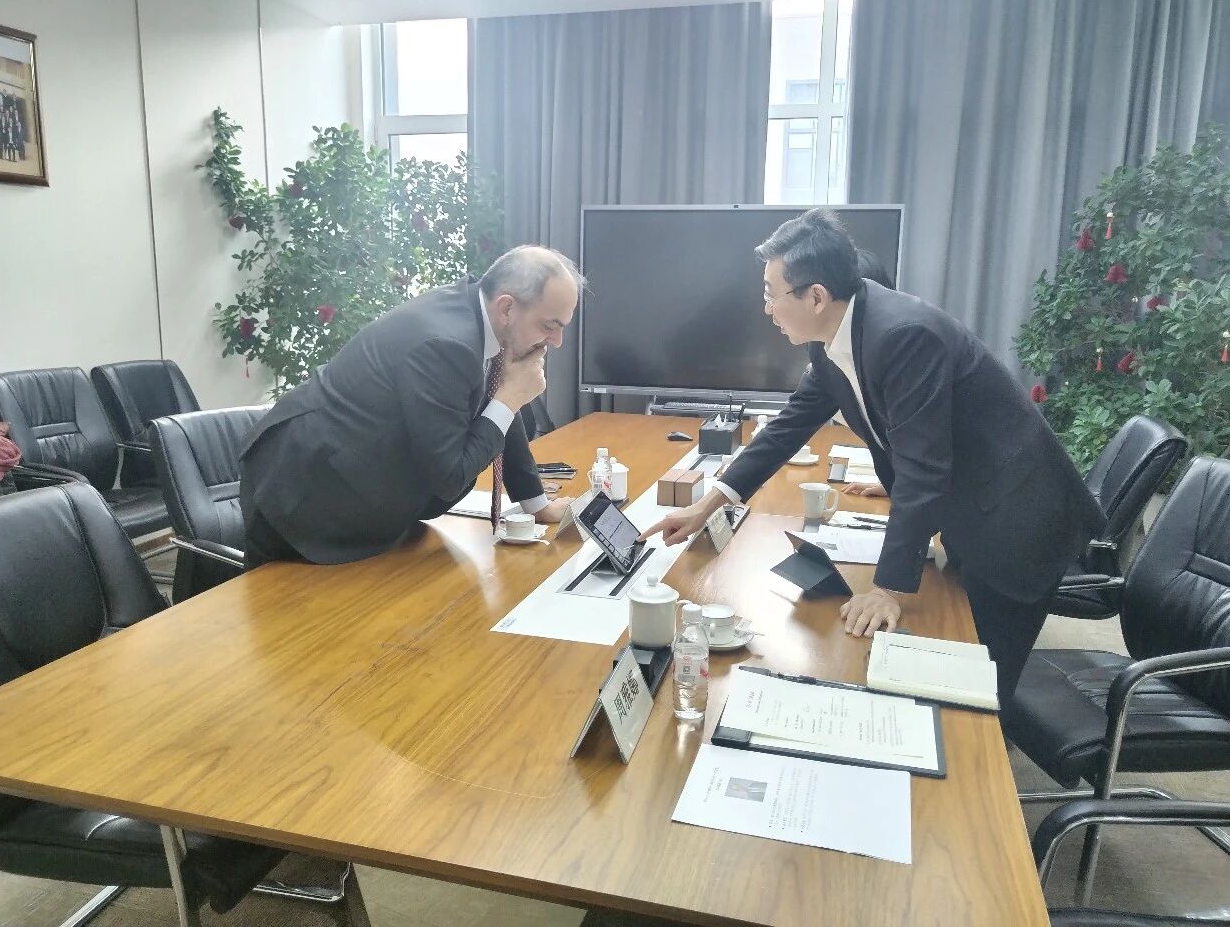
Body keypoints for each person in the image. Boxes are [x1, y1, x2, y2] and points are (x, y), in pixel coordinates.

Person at [641, 208, 1104, 701]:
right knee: (951, 656)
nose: (767, 309)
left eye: (771, 294)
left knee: (980, 689)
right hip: (974, 505)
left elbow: (924, 469)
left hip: (1017, 523)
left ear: (816, 296)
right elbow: (787, 429)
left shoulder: (904, 335)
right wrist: (708, 505)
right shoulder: (834, 335)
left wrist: (888, 590)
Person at [239, 245, 580, 567]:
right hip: (304, 497)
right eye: (549, 326)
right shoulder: (445, 343)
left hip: (360, 486)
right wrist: (510, 398)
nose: (557, 341)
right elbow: (451, 474)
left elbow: (496, 400)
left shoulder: (481, 317)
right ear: (507, 308)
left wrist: (536, 504)